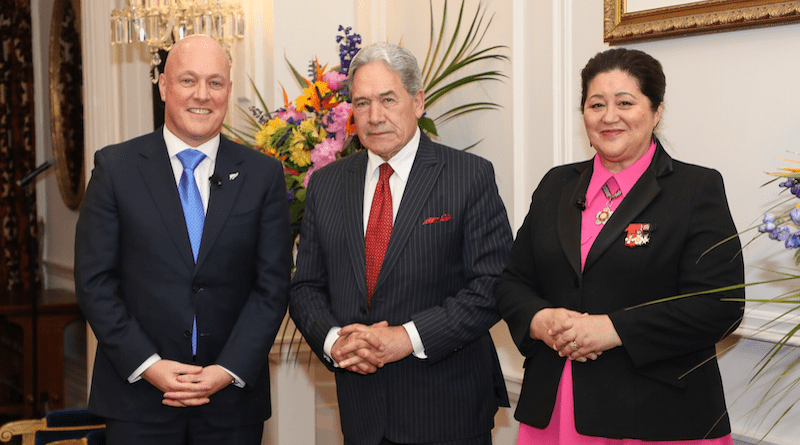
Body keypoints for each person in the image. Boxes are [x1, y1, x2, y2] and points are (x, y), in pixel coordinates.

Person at [494, 47, 744, 444]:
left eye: (625, 102)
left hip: (657, 416)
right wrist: (540, 320)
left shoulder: (696, 189)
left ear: (656, 111)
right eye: (596, 104)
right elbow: (511, 283)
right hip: (556, 409)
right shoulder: (555, 186)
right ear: (584, 114)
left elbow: (719, 305)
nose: (609, 116)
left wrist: (614, 329)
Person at [289, 42, 512, 445]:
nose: (375, 116)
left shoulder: (468, 176)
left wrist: (405, 338)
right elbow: (306, 286)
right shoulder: (326, 184)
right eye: (362, 103)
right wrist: (333, 341)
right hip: (362, 413)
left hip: (447, 412)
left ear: (418, 101)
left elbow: (492, 285)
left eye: (388, 99)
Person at [74, 35, 291, 445]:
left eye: (215, 82)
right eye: (188, 80)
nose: (202, 95)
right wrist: (150, 365)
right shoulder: (115, 168)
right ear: (163, 86)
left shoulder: (263, 175)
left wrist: (225, 370)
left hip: (232, 405)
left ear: (228, 89)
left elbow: (273, 287)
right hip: (137, 398)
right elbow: (95, 283)